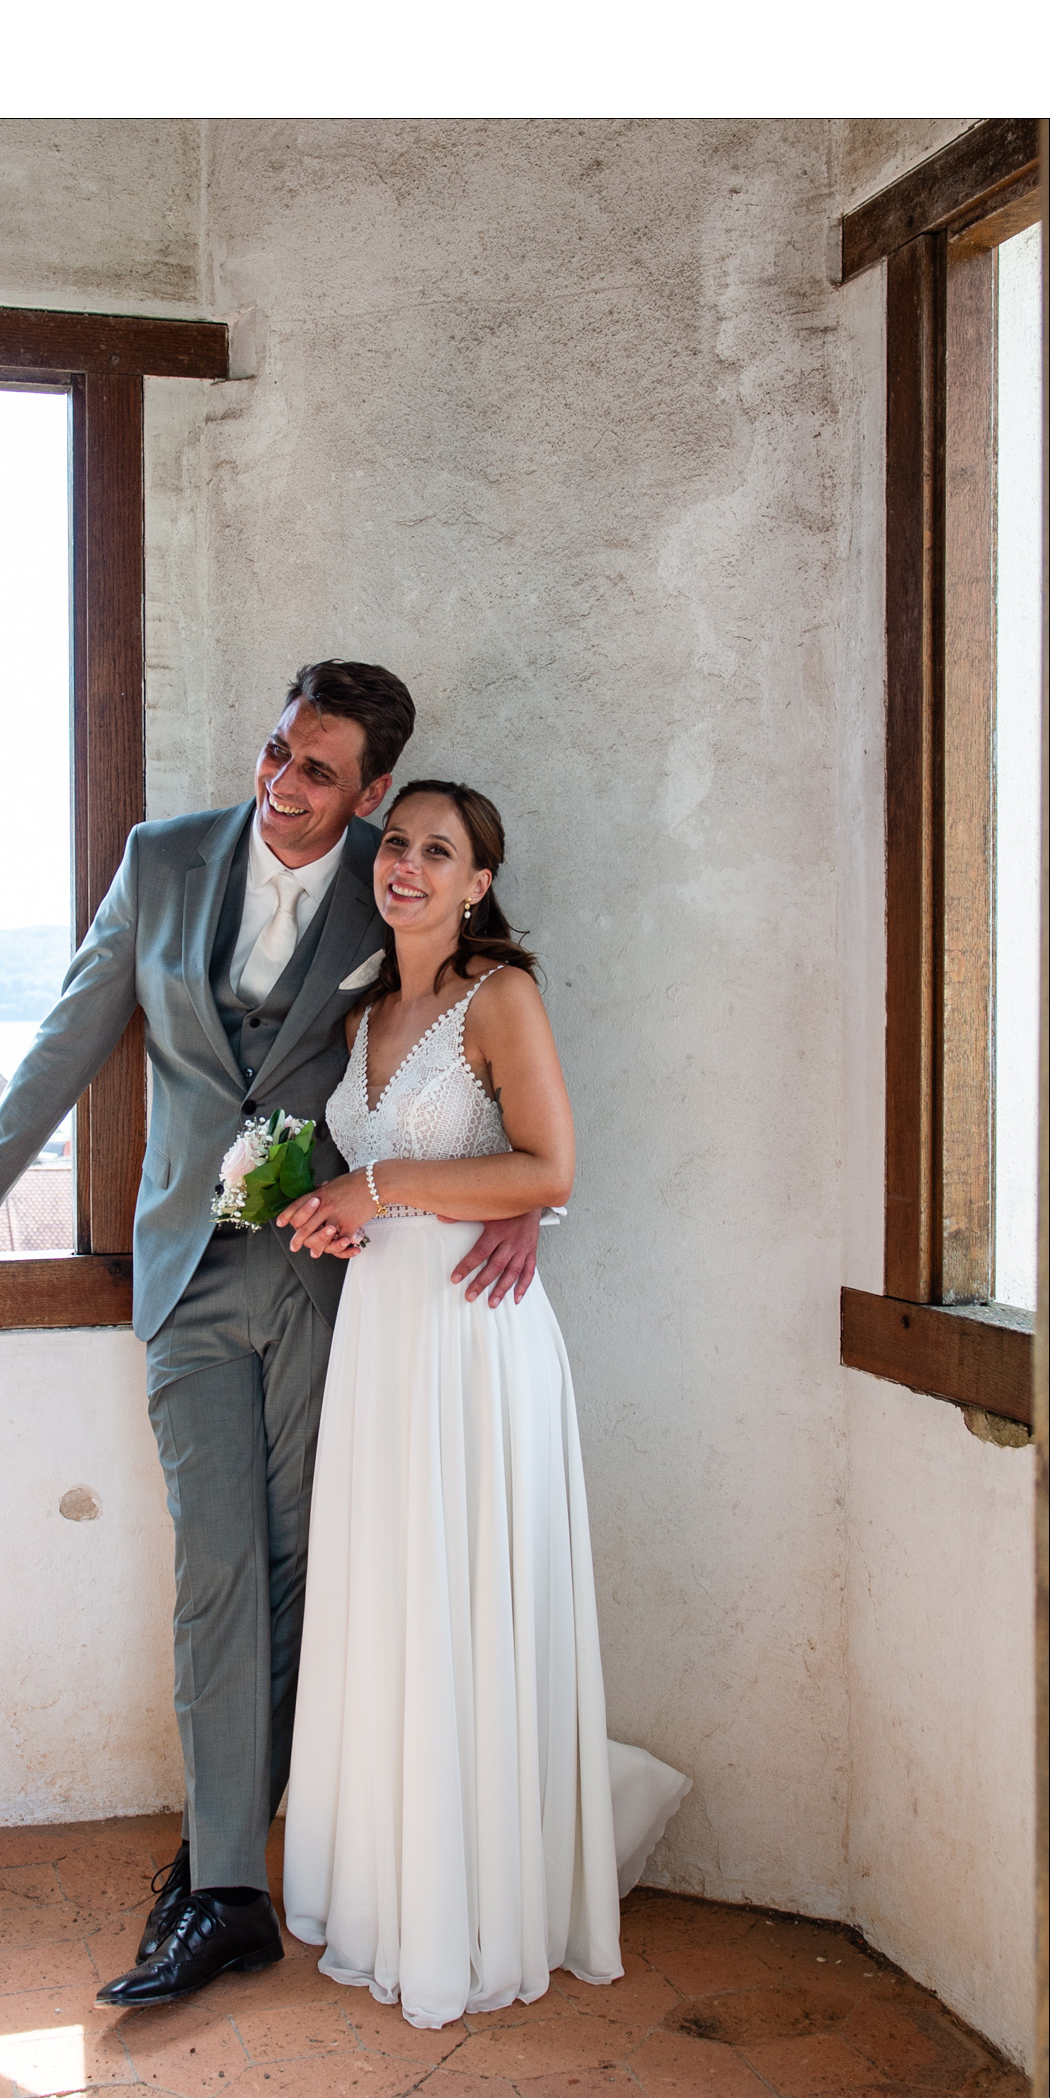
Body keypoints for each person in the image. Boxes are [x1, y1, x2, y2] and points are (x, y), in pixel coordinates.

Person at [0, 667, 546, 2006]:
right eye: (276, 752)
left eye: (318, 772)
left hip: (331, 1278)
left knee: (311, 1563)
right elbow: (74, 1025)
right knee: (217, 1562)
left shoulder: (396, 878)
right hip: (187, 1266)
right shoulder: (162, 858)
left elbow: (470, 1040)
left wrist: (528, 1197)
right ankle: (229, 1878)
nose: (283, 785)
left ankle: (225, 1862)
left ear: (368, 790)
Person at [275, 781, 691, 2030]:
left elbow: (549, 1163)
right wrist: (339, 1216)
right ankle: (396, 1880)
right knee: (394, 1592)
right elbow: (431, 1181)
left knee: (465, 1587)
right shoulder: (362, 1010)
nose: (406, 864)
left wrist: (391, 1188)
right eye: (396, 843)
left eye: (438, 851)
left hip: (471, 1333)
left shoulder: (497, 996)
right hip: (380, 1332)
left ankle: (485, 1896)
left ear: (478, 883)